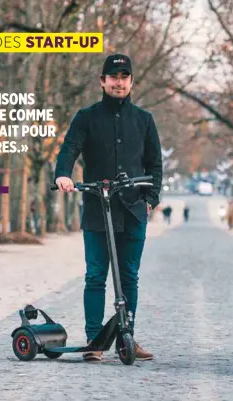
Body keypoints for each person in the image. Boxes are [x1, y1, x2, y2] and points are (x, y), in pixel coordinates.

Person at [54, 54, 163, 362]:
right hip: (96, 209)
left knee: (129, 276)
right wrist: (63, 174)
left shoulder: (144, 120)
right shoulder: (86, 117)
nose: (119, 82)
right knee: (95, 276)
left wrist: (151, 198)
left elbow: (155, 163)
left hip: (132, 209)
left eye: (124, 77)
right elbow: (70, 148)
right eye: (113, 77)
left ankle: (125, 337)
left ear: (131, 82)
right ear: (102, 81)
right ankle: (94, 341)